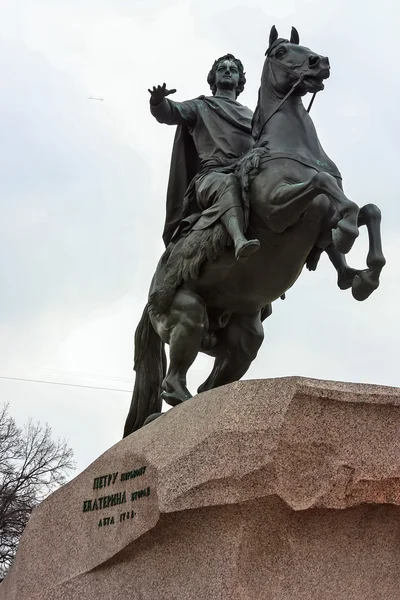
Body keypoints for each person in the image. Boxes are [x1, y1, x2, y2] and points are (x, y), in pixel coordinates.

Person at [149, 54, 260, 260]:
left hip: (245, 173)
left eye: (233, 70)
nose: (227, 71)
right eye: (222, 68)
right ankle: (239, 240)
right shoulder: (201, 106)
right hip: (212, 176)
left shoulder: (253, 116)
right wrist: (158, 102)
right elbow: (171, 112)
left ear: (239, 81)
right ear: (213, 78)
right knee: (227, 183)